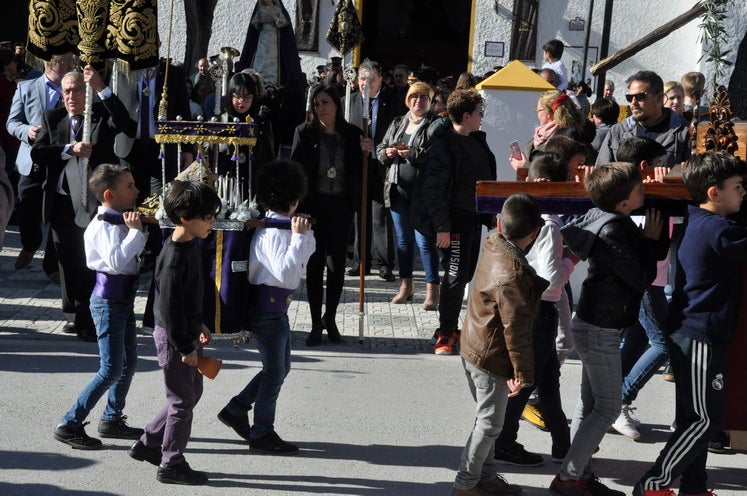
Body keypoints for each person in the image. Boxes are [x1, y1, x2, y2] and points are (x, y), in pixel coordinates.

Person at [634, 152, 747, 496]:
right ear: (714, 192)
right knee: (704, 420)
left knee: (691, 418)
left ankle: (695, 487)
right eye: (738, 186)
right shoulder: (721, 232)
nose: (744, 192)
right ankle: (653, 484)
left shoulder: (695, 219)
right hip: (700, 337)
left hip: (691, 333)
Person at [552, 162, 665, 496]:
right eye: (639, 189)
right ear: (623, 203)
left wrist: (647, 240)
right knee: (609, 407)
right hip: (601, 326)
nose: (645, 190)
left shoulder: (605, 219)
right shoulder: (616, 229)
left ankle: (578, 471)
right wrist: (650, 240)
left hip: (592, 321)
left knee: (589, 403)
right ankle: (569, 477)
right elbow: (641, 277)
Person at [451, 192, 547, 496]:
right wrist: (523, 374)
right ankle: (465, 485)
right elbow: (516, 330)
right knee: (490, 424)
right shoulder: (513, 273)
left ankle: (486, 477)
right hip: (489, 356)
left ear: (499, 223)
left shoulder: (493, 242)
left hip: (474, 346)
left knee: (488, 420)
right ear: (534, 234)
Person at [218, 160, 315, 455]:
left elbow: (305, 257)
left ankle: (237, 408)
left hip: (277, 309)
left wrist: (302, 236)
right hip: (266, 309)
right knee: (274, 372)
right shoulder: (273, 232)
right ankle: (262, 431)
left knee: (280, 368)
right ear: (294, 197)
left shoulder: (283, 227)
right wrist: (299, 237)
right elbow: (289, 273)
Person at [129, 180, 221, 486]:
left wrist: (200, 326)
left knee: (191, 392)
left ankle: (147, 443)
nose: (213, 222)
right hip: (174, 338)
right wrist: (185, 346)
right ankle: (171, 463)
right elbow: (168, 309)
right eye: (208, 216)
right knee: (182, 400)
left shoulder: (190, 245)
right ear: (185, 218)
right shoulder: (172, 258)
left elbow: (187, 300)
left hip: (186, 333)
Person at [30, 67, 130, 343]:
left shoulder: (99, 119)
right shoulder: (54, 119)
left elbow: (123, 120)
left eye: (78, 90)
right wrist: (68, 150)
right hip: (63, 205)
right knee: (66, 263)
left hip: (94, 207)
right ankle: (77, 312)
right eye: (67, 91)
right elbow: (38, 153)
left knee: (88, 263)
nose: (72, 96)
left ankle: (88, 322)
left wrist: (101, 88)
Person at [53, 164, 146, 450]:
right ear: (109, 194)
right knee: (110, 369)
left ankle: (112, 417)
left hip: (123, 300)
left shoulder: (117, 219)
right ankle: (70, 422)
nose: (137, 190)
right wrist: (136, 233)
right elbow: (117, 261)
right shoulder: (105, 224)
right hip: (107, 302)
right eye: (129, 186)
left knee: (129, 364)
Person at [494, 154, 575, 468]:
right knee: (529, 378)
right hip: (541, 308)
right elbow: (553, 279)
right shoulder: (549, 225)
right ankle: (505, 440)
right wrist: (572, 260)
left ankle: (561, 443)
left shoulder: (533, 218)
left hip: (535, 307)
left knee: (548, 377)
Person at [411, 88, 496, 356]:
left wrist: (490, 213)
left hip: (472, 219)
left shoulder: (477, 140)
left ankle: (452, 327)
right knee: (455, 275)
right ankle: (445, 332)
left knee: (465, 275)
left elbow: (482, 182)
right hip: (453, 222)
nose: (482, 117)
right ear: (467, 115)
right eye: (480, 113)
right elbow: (434, 189)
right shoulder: (444, 144)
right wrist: (442, 228)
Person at [291, 84, 362, 346]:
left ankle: (330, 317)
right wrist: (296, 207)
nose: (320, 107)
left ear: (336, 105)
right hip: (313, 207)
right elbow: (295, 170)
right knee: (314, 264)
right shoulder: (305, 132)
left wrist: (368, 151)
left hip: (341, 206)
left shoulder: (352, 134)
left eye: (325, 102)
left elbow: (363, 169)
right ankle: (314, 323)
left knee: (336, 265)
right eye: (316, 103)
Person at [611, 137, 671, 442]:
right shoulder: (637, 197)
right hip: (648, 282)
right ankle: (618, 400)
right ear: (645, 167)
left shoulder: (650, 192)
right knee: (664, 344)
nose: (666, 170)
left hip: (651, 281)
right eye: (659, 164)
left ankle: (608, 401)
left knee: (634, 342)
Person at [6, 53, 72, 278]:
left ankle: (52, 266)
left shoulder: (75, 87)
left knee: (58, 213)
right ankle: (30, 244)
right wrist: (27, 131)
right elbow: (12, 122)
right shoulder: (26, 87)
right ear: (48, 63)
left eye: (70, 60)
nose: (67, 65)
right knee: (27, 207)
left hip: (62, 158)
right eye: (62, 61)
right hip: (33, 160)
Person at [375, 81, 439, 309]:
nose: (418, 101)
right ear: (408, 100)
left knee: (425, 241)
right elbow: (379, 149)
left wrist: (411, 153)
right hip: (396, 188)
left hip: (421, 193)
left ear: (430, 101)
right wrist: (388, 152)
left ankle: (432, 291)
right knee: (403, 240)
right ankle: (406, 286)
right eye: (414, 97)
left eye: (423, 97)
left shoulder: (435, 125)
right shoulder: (397, 122)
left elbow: (435, 155)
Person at [346, 59, 406, 282]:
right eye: (363, 78)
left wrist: (382, 147)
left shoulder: (393, 102)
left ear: (380, 80)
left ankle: (385, 263)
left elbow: (398, 131)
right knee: (360, 214)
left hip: (381, 164)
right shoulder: (349, 102)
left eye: (371, 79)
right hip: (358, 165)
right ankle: (360, 261)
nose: (366, 83)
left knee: (380, 215)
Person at [595, 70, 690, 167]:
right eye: (629, 98)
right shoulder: (617, 132)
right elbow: (601, 173)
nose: (633, 102)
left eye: (640, 96)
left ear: (659, 98)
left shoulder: (684, 133)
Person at [218, 72, 275, 200]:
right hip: (227, 185)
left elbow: (268, 156)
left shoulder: (261, 122)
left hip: (254, 185)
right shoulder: (221, 120)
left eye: (247, 97)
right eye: (237, 96)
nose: (241, 102)